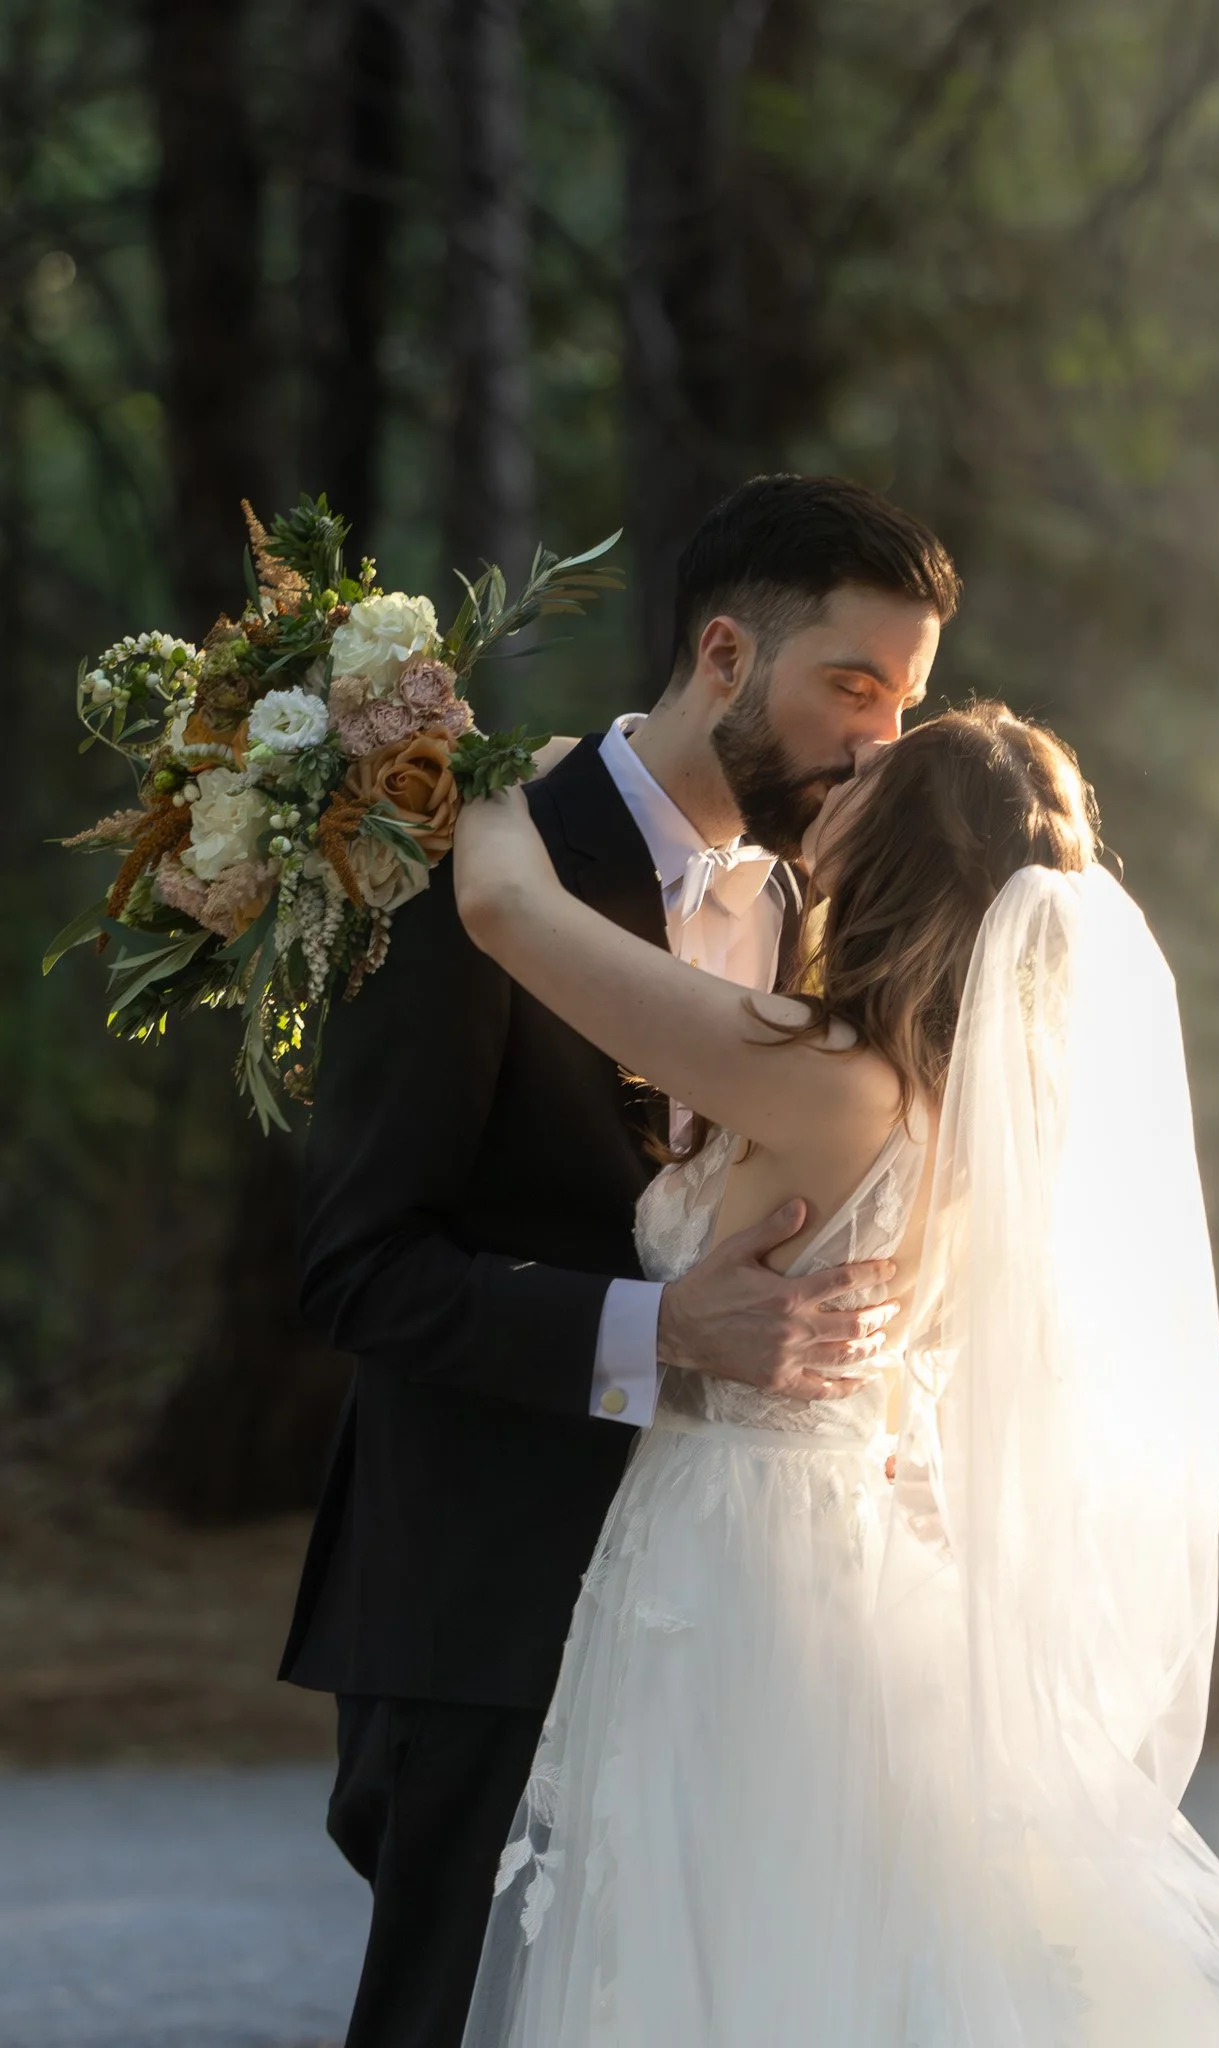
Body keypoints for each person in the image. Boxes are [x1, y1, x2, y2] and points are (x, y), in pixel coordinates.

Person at [450, 700, 1219, 2046]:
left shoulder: (820, 1077)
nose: (842, 774)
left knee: (734, 1946)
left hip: (744, 1556)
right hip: (852, 1543)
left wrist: (486, 752)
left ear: (899, 840)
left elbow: (505, 909)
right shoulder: (969, 1102)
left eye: (874, 774)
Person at [279, 472, 962, 2046]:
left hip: (733, 1611)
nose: (876, 740)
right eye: (847, 686)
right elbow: (355, 1268)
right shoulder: (471, 866)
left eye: (904, 704)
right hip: (485, 1600)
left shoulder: (817, 906)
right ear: (724, 656)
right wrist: (657, 1331)